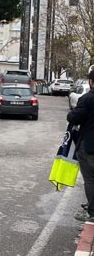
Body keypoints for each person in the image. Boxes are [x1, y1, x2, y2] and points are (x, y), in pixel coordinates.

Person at [71, 69, 94, 222]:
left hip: (89, 145)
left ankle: (92, 213)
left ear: (91, 82)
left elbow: (75, 118)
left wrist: (70, 114)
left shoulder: (87, 99)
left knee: (90, 179)